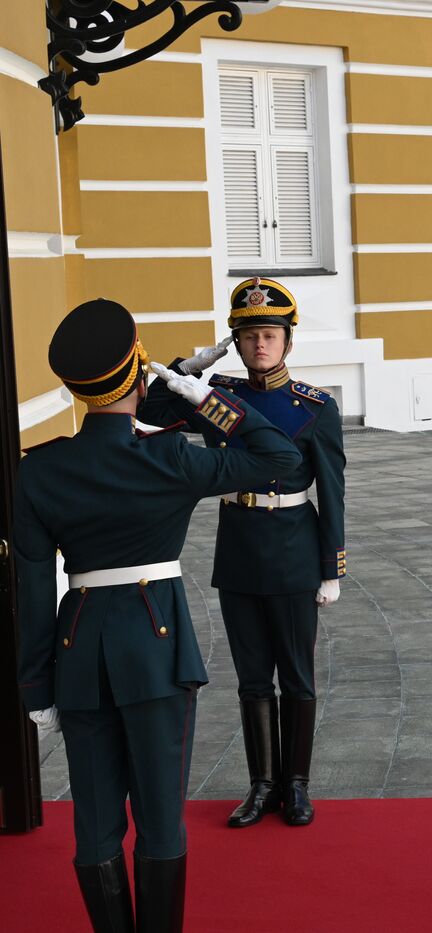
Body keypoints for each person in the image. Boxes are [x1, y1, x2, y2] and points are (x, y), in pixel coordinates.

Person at [14, 299, 302, 932]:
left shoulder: (40, 470)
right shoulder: (170, 457)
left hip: (79, 651)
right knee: (160, 816)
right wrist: (207, 401)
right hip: (155, 646)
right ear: (139, 376)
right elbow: (281, 459)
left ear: (76, 389)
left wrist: (35, 685)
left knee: (94, 821)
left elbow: (31, 588)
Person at [138, 276, 345, 829]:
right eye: (249, 335)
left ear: (288, 341)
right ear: (237, 342)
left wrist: (332, 569)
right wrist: (188, 368)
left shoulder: (315, 406)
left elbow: (332, 490)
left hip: (295, 548)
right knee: (252, 678)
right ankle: (262, 785)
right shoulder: (221, 396)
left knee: (296, 676)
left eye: (270, 335)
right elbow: (152, 410)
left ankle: (296, 785)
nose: (260, 345)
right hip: (239, 550)